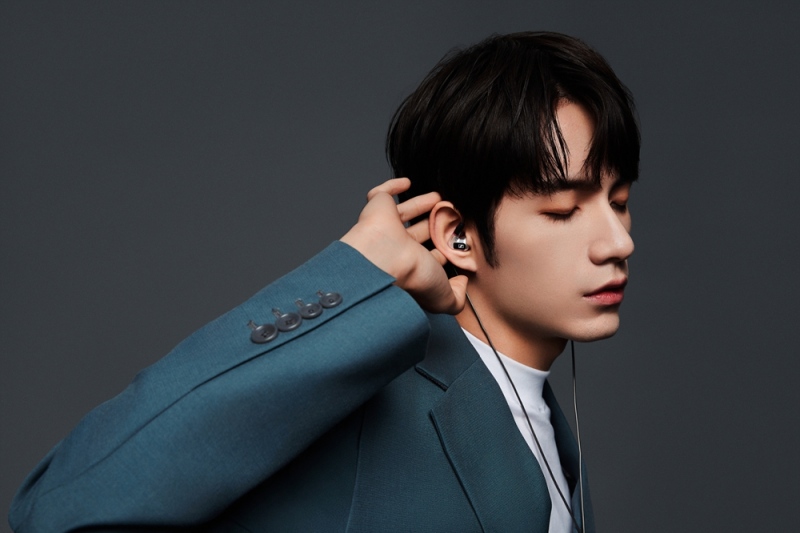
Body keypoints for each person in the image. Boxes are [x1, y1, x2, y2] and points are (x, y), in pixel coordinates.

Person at [9, 31, 639, 532]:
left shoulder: (554, 436)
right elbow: (63, 505)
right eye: (564, 211)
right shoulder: (367, 399)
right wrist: (357, 268)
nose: (618, 242)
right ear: (457, 237)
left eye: (619, 202)